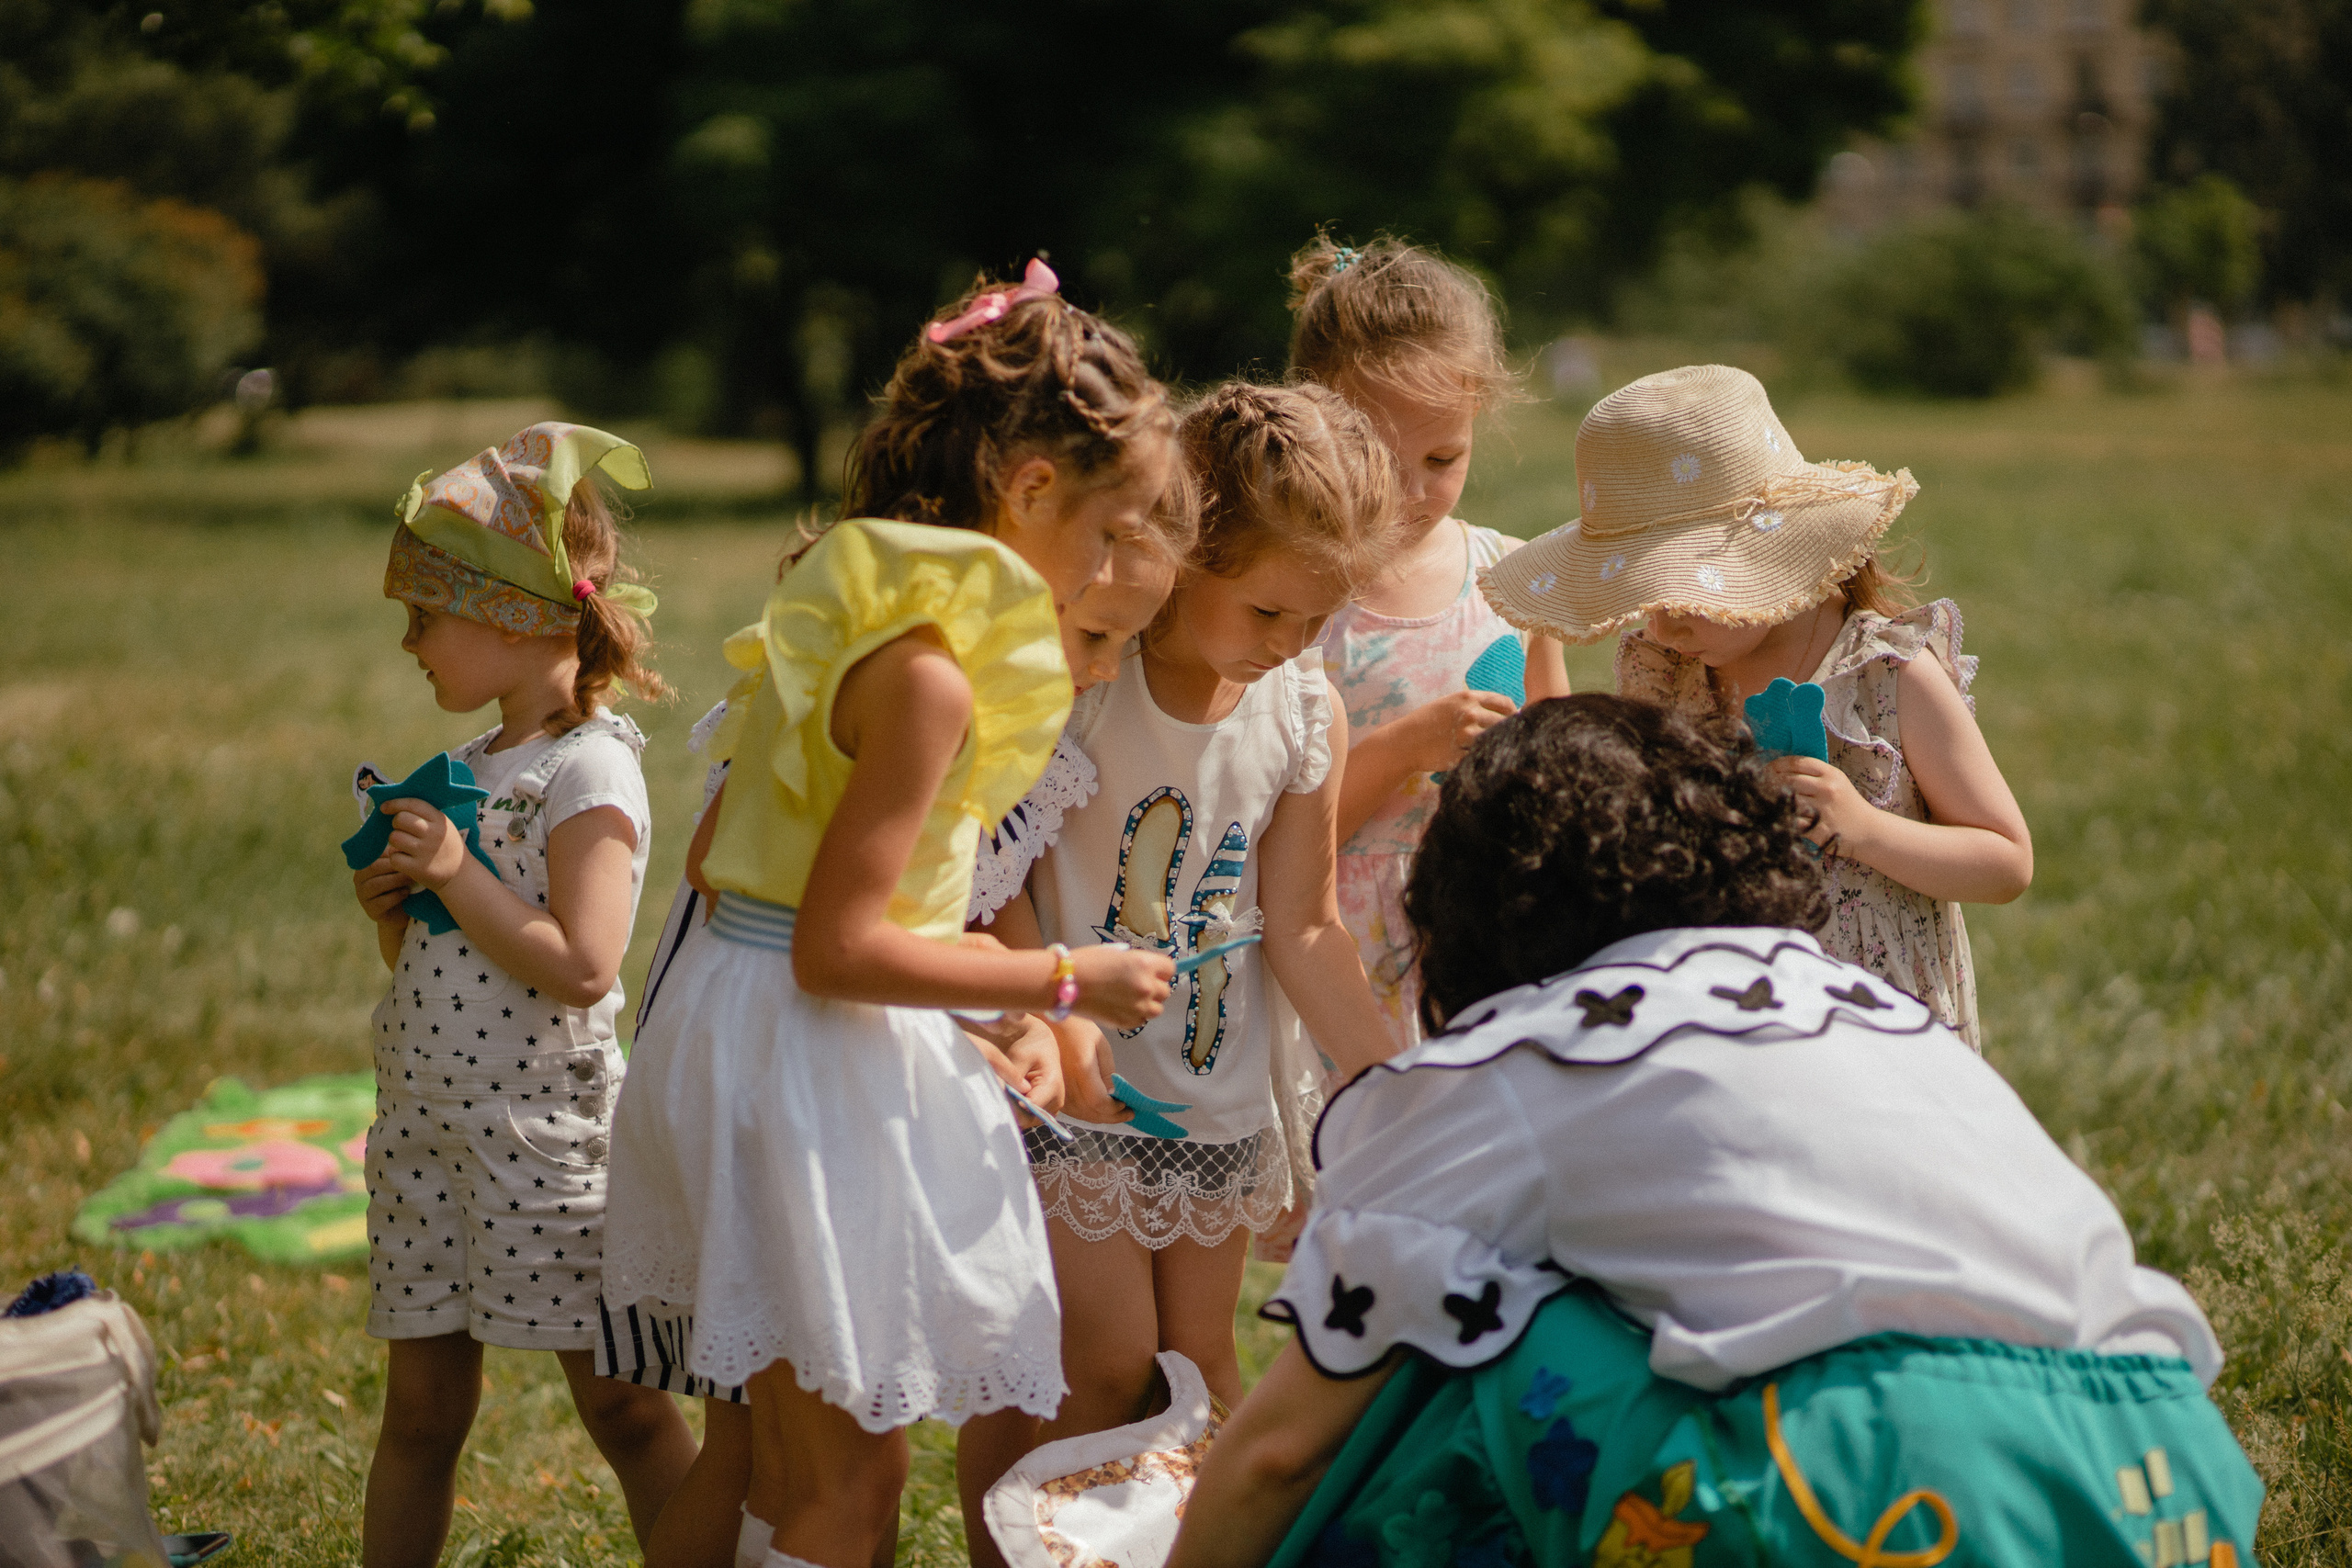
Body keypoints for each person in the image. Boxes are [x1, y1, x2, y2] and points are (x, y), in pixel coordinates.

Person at [1167, 694, 2261, 1568]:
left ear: (1469, 905)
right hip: (2169, 1481)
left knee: (1461, 1342)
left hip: (1865, 1492)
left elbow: (1279, 1451)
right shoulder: (1867, 1010)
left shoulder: (1516, 1060)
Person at [600, 261, 1182, 1568]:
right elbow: (835, 945)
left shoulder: (856, 617)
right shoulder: (931, 681)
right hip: (804, 1056)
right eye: (1104, 535)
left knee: (781, 1457)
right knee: (851, 1483)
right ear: (1032, 489)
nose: (1100, 575)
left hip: (738, 1024)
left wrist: (956, 959)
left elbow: (717, 859)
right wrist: (1056, 978)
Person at [1019, 380, 1407, 1456]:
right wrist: (1051, 1020)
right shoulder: (1088, 682)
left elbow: (1306, 924)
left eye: (1319, 617)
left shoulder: (1300, 709)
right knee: (1093, 1370)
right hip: (1075, 1093)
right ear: (1185, 556)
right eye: (1267, 610)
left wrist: (1402, 1083)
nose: (1290, 641)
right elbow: (994, 873)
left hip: (1212, 1102)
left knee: (1195, 1369)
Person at [351, 422, 697, 1568]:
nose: (410, 644)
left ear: (512, 614)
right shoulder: (477, 768)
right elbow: (451, 972)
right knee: (420, 1417)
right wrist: (404, 912)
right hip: (428, 1137)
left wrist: (457, 873)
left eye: (425, 615)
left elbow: (585, 963)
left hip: (545, 1142)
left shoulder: (588, 767)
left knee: (626, 1409)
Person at [1481, 363, 2031, 1047]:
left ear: (1765, 560)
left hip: (1882, 1030)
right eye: (1641, 598)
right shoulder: (1667, 676)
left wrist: (1862, 828)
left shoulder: (1889, 678)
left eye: (1677, 594)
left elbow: (2007, 860)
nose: (1657, 627)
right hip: (1732, 1020)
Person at [1289, 234, 1572, 1051]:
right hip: (1337, 954)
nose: (1415, 491)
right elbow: (1275, 845)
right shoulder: (1298, 600)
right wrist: (1410, 742)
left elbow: (1557, 761)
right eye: (1376, 456)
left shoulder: (1512, 577)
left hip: (1483, 944)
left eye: (1444, 457)